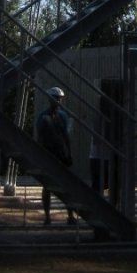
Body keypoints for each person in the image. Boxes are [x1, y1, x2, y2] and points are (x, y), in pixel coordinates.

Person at [35, 85, 76, 226]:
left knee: (67, 186)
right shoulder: (43, 117)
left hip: (60, 153)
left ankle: (70, 216)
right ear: (50, 99)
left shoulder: (63, 116)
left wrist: (68, 154)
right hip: (48, 153)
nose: (58, 101)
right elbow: (40, 136)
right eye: (56, 98)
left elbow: (66, 137)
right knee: (47, 186)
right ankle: (47, 217)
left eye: (60, 99)